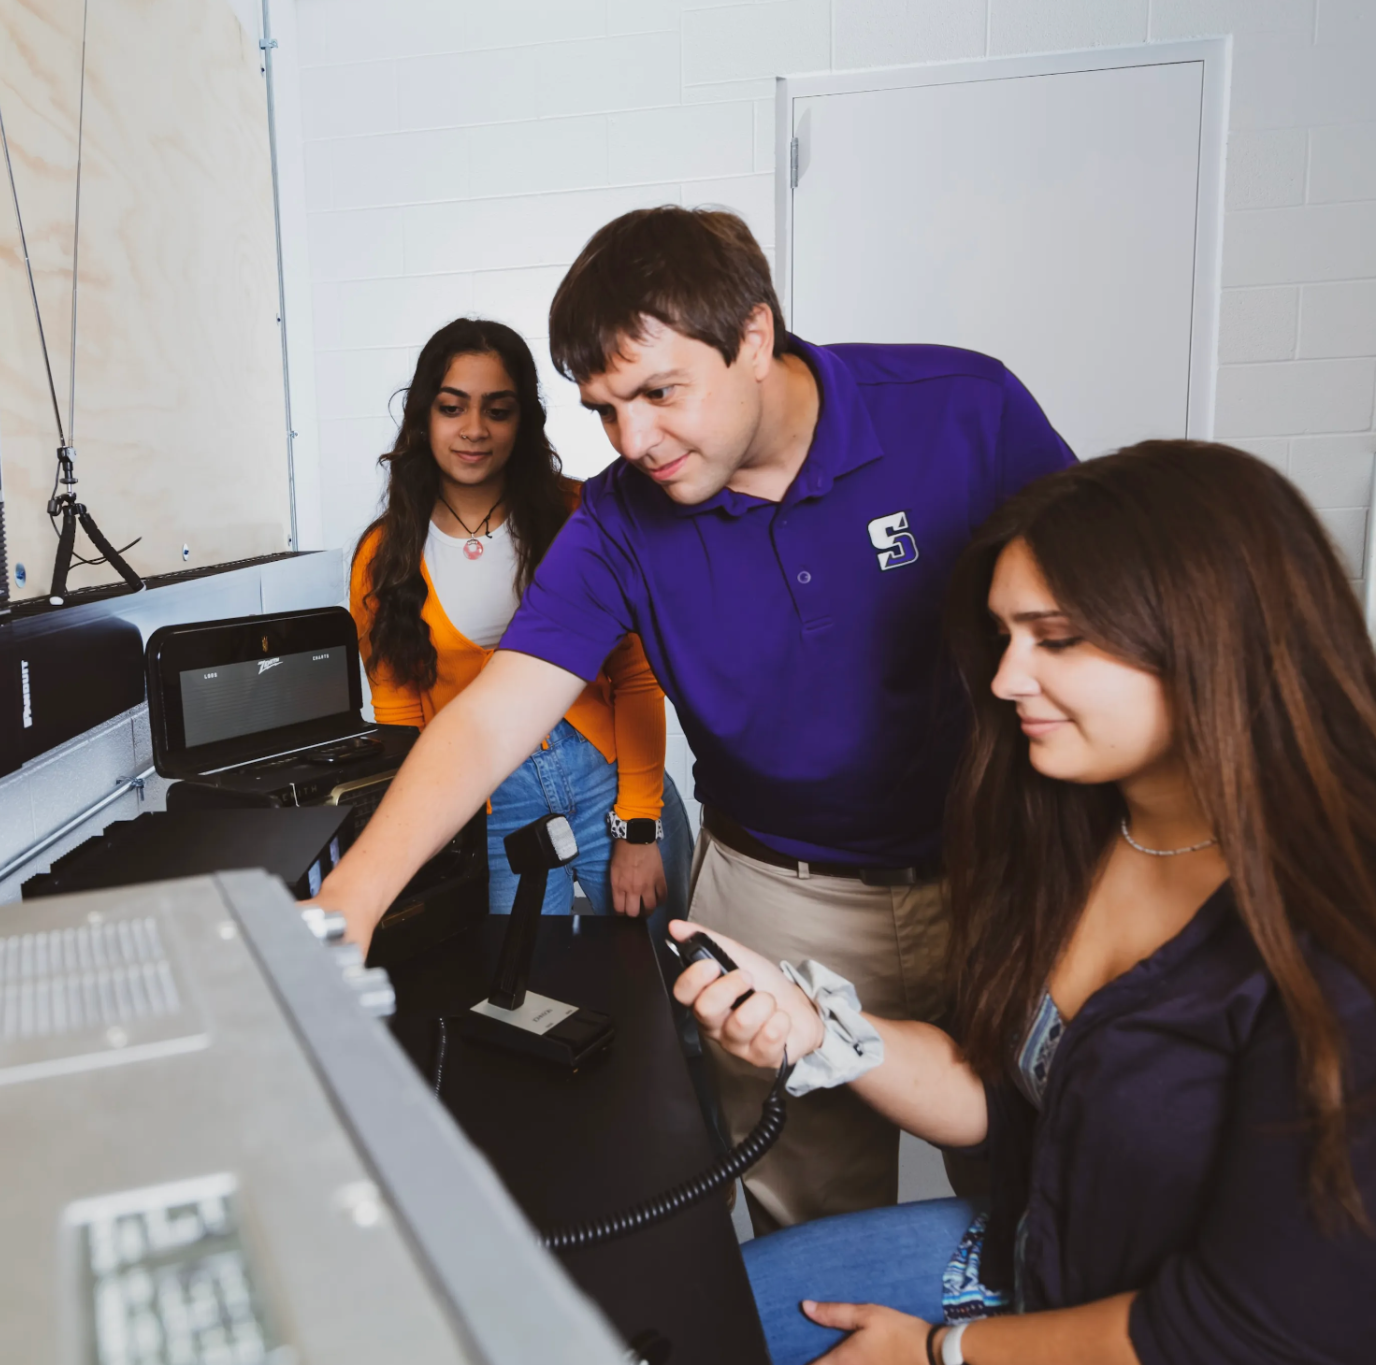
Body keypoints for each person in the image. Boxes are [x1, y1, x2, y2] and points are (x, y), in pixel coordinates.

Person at [313, 206, 1074, 1230]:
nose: (633, 442)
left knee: (1035, 1188)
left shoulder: (962, 408)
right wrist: (344, 910)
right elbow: (491, 716)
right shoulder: (620, 516)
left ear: (753, 337)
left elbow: (1110, 615)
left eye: (659, 393)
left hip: (999, 874)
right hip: (780, 897)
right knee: (810, 1215)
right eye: (603, 409)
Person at [676, 442, 1376, 1365]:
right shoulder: (1078, 828)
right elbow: (1009, 1098)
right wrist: (818, 1028)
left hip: (1177, 1331)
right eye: (1005, 637)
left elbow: (1251, 1326)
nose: (1005, 681)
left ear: (1210, 636)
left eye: (1055, 638)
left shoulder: (1332, 942)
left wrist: (941, 1352)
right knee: (696, 1316)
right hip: (1044, 1251)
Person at [350, 317, 691, 921]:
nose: (474, 430)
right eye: (453, 408)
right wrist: (421, 849)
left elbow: (638, 677)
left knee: (669, 977)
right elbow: (400, 719)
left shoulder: (581, 518)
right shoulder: (384, 553)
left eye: (498, 410)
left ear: (523, 421)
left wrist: (638, 827)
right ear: (423, 417)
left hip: (609, 787)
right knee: (524, 999)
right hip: (489, 808)